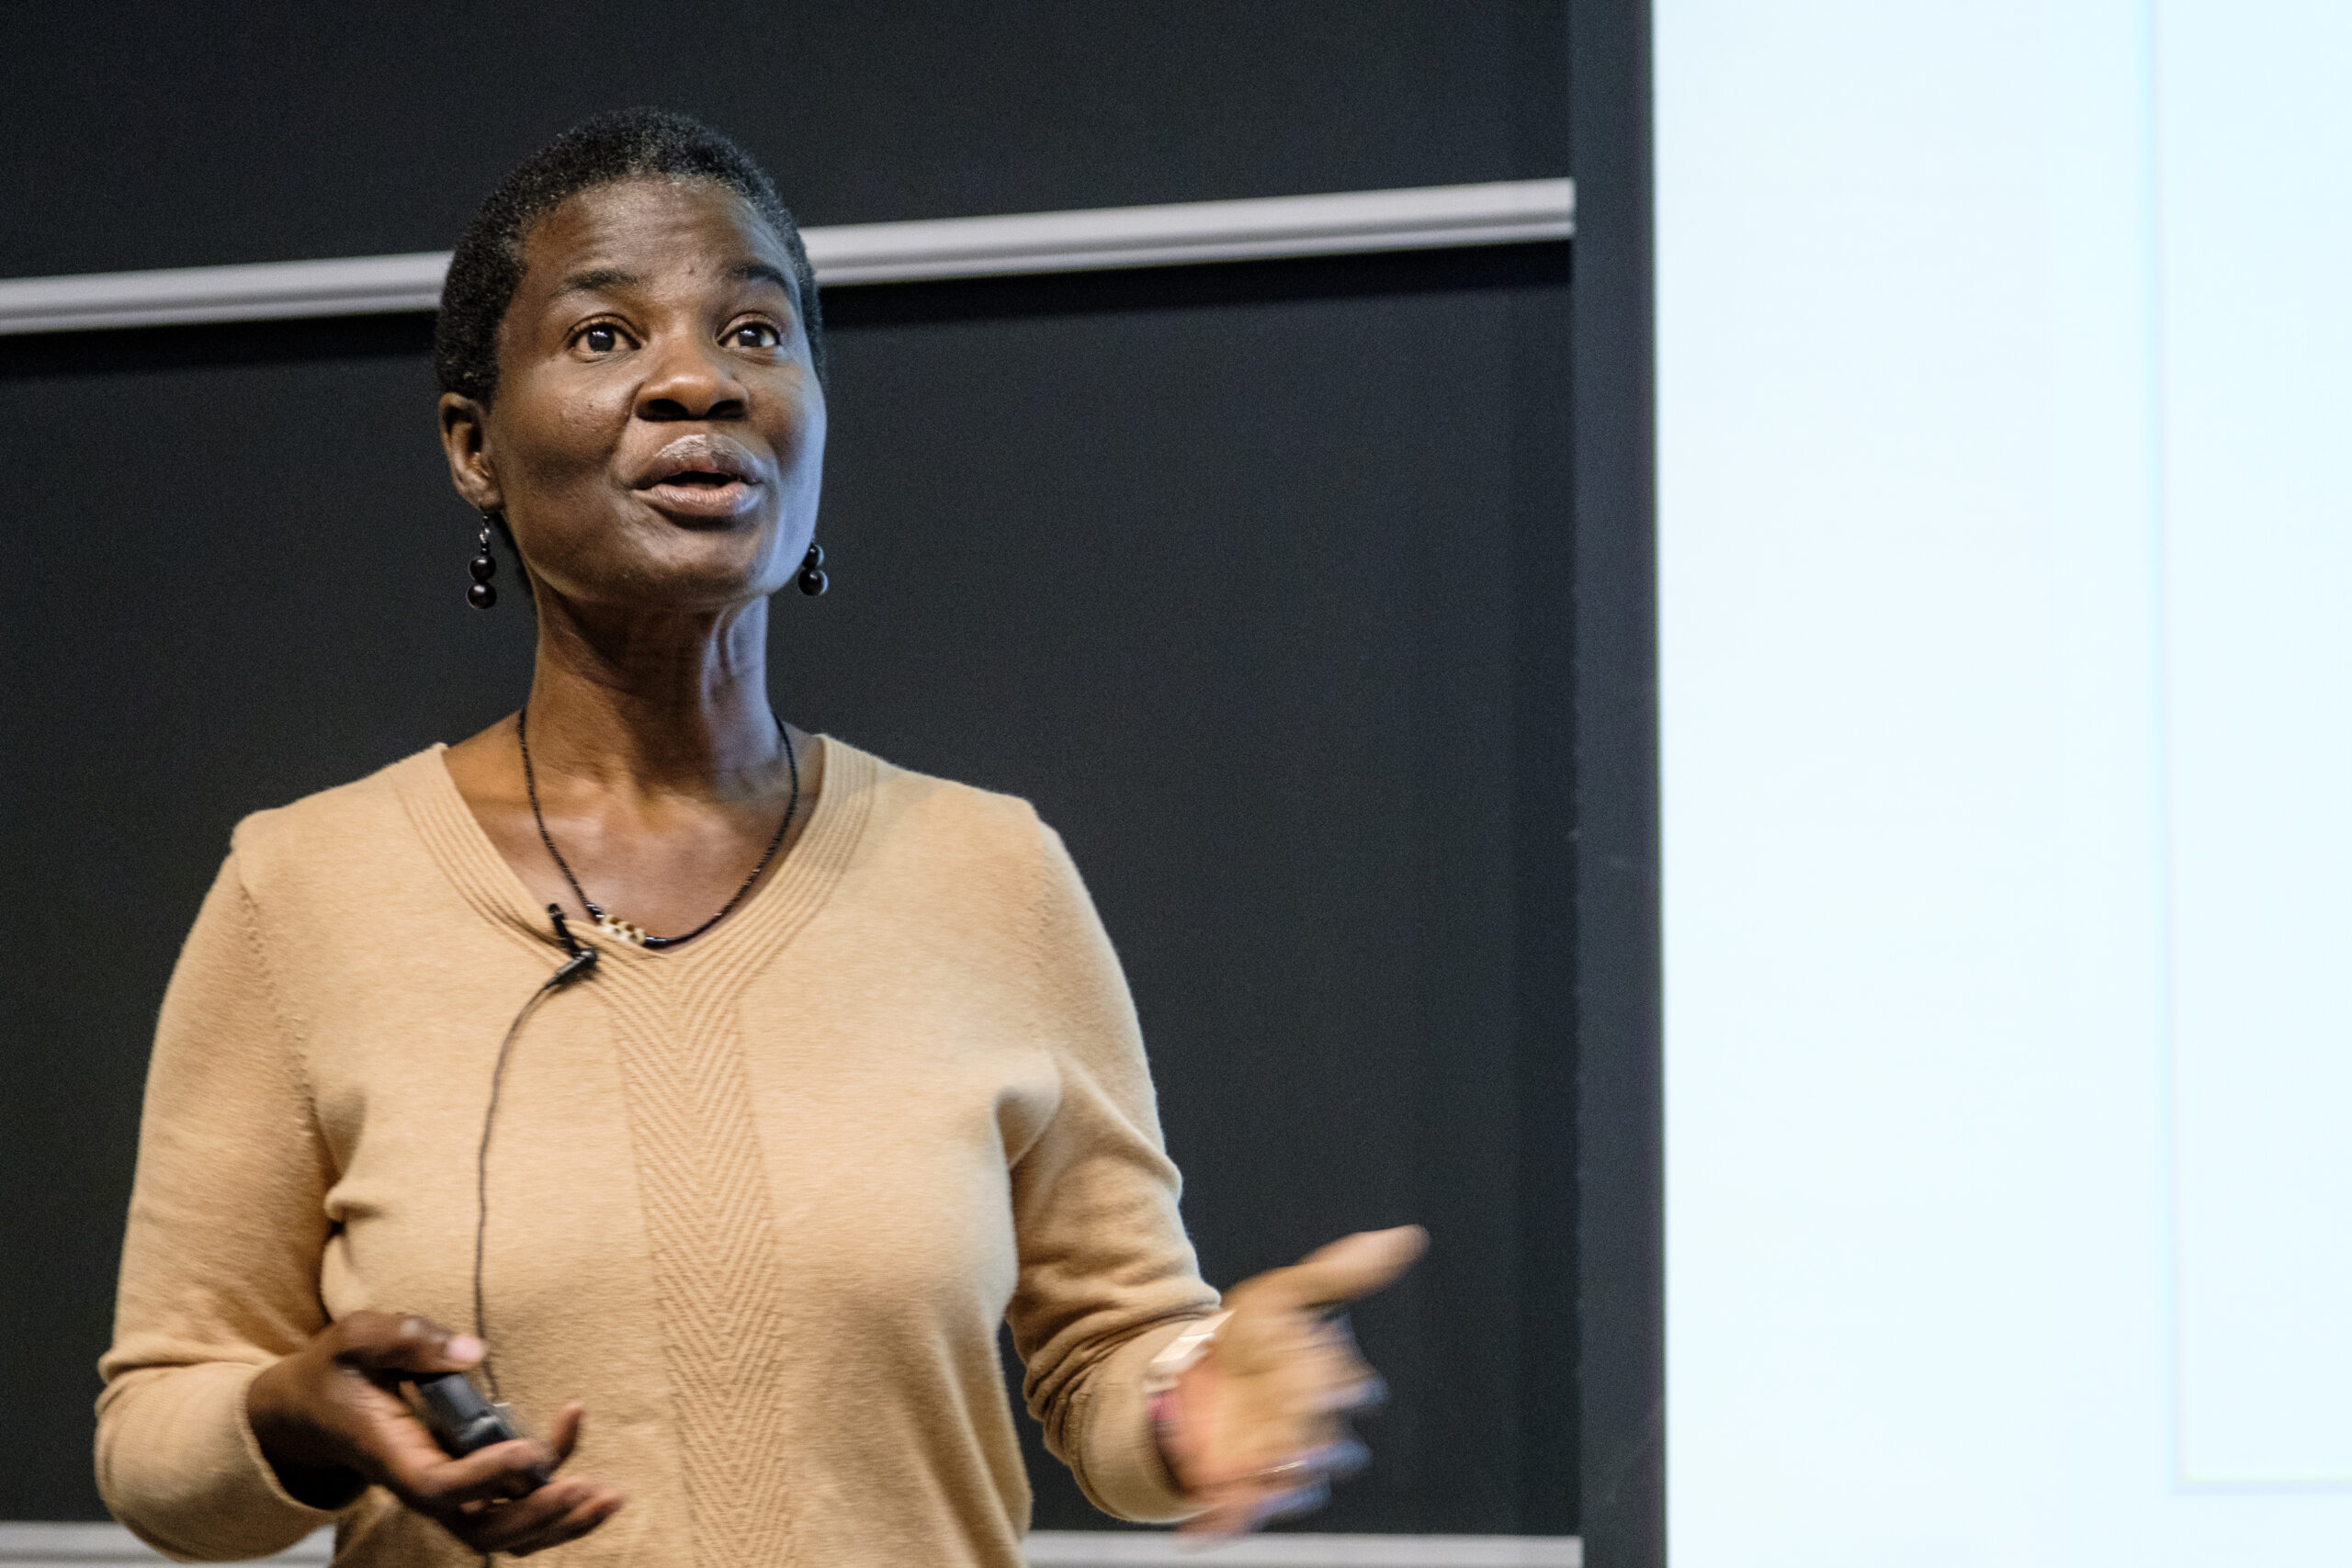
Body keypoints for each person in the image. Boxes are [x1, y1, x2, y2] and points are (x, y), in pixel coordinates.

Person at [94, 108, 1423, 1566]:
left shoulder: (995, 870)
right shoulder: (305, 888)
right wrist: (287, 1417)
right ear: (473, 445)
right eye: (604, 338)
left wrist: (1194, 1401)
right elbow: (161, 1446)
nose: (696, 384)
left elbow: (1112, 1352)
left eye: (754, 335)